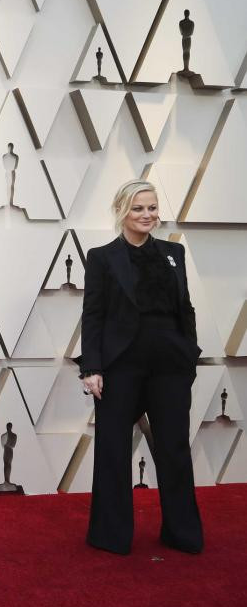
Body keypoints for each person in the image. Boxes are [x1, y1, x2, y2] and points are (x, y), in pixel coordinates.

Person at [77, 179, 203, 555]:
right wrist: (92, 367)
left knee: (175, 449)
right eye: (138, 208)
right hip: (120, 368)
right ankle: (110, 535)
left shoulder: (173, 253)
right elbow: (93, 315)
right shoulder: (101, 258)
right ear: (122, 211)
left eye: (151, 207)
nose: (147, 215)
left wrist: (188, 353)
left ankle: (182, 533)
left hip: (169, 367)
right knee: (113, 452)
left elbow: (185, 308)